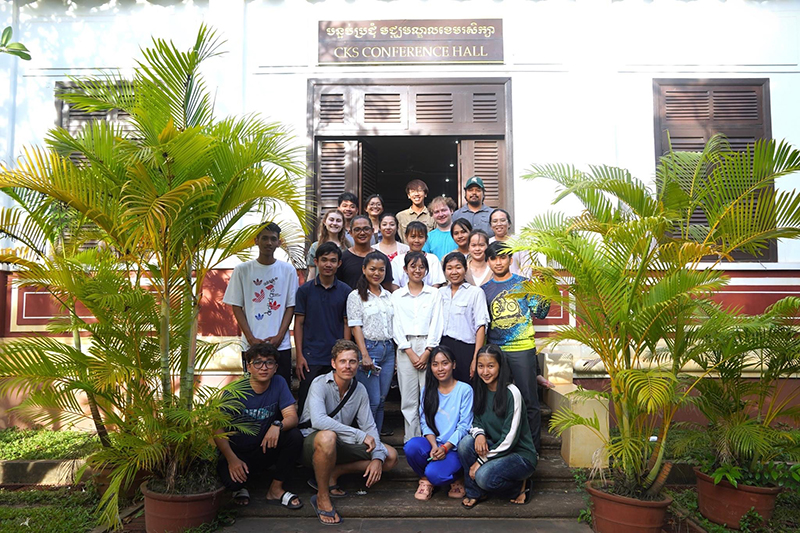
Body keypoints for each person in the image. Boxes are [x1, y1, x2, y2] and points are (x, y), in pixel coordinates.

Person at [299, 340, 398, 526]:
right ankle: (322, 496)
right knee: (328, 436)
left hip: (341, 443)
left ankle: (334, 472)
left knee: (390, 456)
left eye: (352, 361)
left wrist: (377, 458)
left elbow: (369, 426)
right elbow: (319, 421)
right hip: (313, 445)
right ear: (333, 363)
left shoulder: (359, 389)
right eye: (343, 361)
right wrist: (359, 435)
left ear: (358, 364)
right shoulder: (319, 384)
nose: (348, 366)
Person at [214, 343, 304, 510]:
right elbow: (218, 429)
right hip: (238, 453)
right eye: (258, 363)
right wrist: (231, 459)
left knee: (294, 436)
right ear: (249, 367)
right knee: (232, 483)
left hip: (264, 448)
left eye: (269, 363)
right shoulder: (235, 391)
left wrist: (277, 425)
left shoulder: (278, 382)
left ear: (276, 367)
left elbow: (292, 417)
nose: (264, 368)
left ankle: (275, 489)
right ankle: (241, 487)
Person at [482, 241, 551, 454]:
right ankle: (504, 446)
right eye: (494, 258)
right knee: (499, 399)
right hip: (496, 352)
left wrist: (547, 289)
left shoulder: (524, 284)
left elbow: (540, 313)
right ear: (488, 262)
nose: (498, 262)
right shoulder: (483, 291)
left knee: (529, 400)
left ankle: (531, 450)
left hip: (522, 349)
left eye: (503, 257)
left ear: (511, 260)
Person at [458, 345, 538, 509]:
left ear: (500, 366)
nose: (485, 372)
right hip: (496, 448)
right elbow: (475, 420)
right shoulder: (480, 390)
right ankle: (474, 493)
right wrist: (479, 434)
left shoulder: (512, 393)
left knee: (483, 476)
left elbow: (510, 439)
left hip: (519, 455)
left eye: (490, 366)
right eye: (481, 366)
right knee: (465, 443)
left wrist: (481, 461)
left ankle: (520, 487)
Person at [224, 222, 298, 381]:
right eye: (264, 238)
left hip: (281, 345)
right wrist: (250, 338)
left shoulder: (288, 270)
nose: (269, 243)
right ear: (256, 240)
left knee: (281, 389)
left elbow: (290, 307)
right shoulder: (242, 270)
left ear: (279, 242)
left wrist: (279, 336)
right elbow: (236, 306)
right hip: (251, 345)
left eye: (273, 239)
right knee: (252, 390)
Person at [404, 346, 473, 501]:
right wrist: (435, 446)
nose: (440, 369)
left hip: (454, 448)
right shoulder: (427, 390)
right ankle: (426, 480)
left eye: (445, 363)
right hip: (434, 444)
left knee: (436, 474)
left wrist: (445, 447)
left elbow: (464, 426)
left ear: (453, 365)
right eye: (435, 364)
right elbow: (424, 421)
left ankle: (456, 477)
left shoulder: (464, 390)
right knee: (411, 447)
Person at [392, 252, 443, 442]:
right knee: (408, 398)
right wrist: (410, 351)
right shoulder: (397, 296)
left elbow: (437, 322)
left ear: (426, 271)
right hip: (405, 348)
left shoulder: (434, 294)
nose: (417, 270)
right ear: (405, 269)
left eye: (421, 267)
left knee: (428, 395)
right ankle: (411, 439)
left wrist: (428, 350)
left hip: (428, 345)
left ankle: (430, 437)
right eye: (413, 266)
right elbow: (395, 325)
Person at [295, 241, 352, 413]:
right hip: (310, 356)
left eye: (333, 260)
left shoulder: (346, 291)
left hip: (336, 357)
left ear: (339, 264)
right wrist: (299, 355)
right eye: (324, 260)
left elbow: (346, 323)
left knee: (336, 402)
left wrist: (344, 354)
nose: (328, 264)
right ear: (316, 262)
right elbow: (298, 323)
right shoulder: (304, 291)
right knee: (307, 401)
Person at [347, 251, 395, 434]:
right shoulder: (356, 296)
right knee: (371, 400)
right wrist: (364, 355)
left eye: (381, 270)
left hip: (388, 349)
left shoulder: (388, 296)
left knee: (382, 400)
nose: (377, 273)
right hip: (369, 349)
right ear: (364, 269)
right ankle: (367, 440)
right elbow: (355, 326)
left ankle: (377, 443)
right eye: (372, 269)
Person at [439, 252, 489, 383]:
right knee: (444, 388)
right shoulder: (439, 293)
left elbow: (481, 326)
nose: (454, 272)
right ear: (444, 271)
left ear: (465, 269)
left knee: (467, 388)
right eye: (449, 268)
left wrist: (475, 359)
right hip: (443, 347)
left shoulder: (475, 293)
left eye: (458, 267)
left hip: (466, 349)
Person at [337, 215, 396, 292]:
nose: (362, 233)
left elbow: (387, 288)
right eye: (357, 229)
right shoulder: (343, 258)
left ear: (372, 231)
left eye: (366, 229)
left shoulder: (382, 259)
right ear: (351, 233)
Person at [390, 221, 445, 288]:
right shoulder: (397, 260)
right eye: (413, 237)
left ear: (426, 238)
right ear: (406, 237)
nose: (416, 240)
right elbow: (394, 285)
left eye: (421, 237)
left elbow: (436, 283)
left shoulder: (433, 259)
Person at [307, 209, 352, 280]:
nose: (334, 223)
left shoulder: (349, 246)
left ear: (343, 224)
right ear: (325, 222)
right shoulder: (315, 246)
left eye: (338, 221)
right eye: (331, 220)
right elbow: (311, 275)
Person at [488, 208, 529, 277]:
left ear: (509, 224)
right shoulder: (487, 243)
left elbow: (526, 267)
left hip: (517, 285)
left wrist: (520, 284)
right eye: (495, 221)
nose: (499, 224)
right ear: (491, 226)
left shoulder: (519, 242)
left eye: (502, 220)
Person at [423, 196, 458, 260]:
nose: (441, 214)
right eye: (436, 212)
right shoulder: (428, 237)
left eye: (443, 210)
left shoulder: (461, 235)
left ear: (451, 211)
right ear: (432, 215)